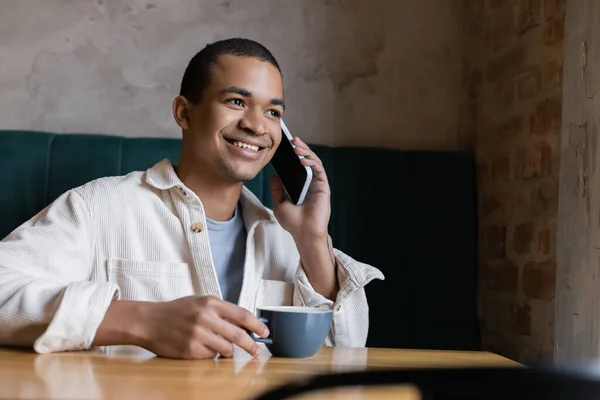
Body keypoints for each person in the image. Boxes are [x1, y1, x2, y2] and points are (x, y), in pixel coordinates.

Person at [0, 38, 384, 359]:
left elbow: (347, 354)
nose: (255, 124)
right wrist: (143, 321)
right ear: (184, 112)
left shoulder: (289, 239)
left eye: (272, 111)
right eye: (236, 102)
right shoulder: (98, 206)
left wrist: (314, 240)